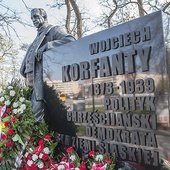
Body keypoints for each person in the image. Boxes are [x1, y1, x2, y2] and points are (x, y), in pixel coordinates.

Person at [20, 8, 75, 121]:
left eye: (35, 16)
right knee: (28, 112)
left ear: (44, 17)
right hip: (29, 78)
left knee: (36, 113)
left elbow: (70, 39)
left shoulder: (53, 30)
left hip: (41, 78)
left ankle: (37, 137)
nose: (33, 20)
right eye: (32, 18)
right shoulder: (36, 37)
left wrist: (48, 46)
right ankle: (35, 136)